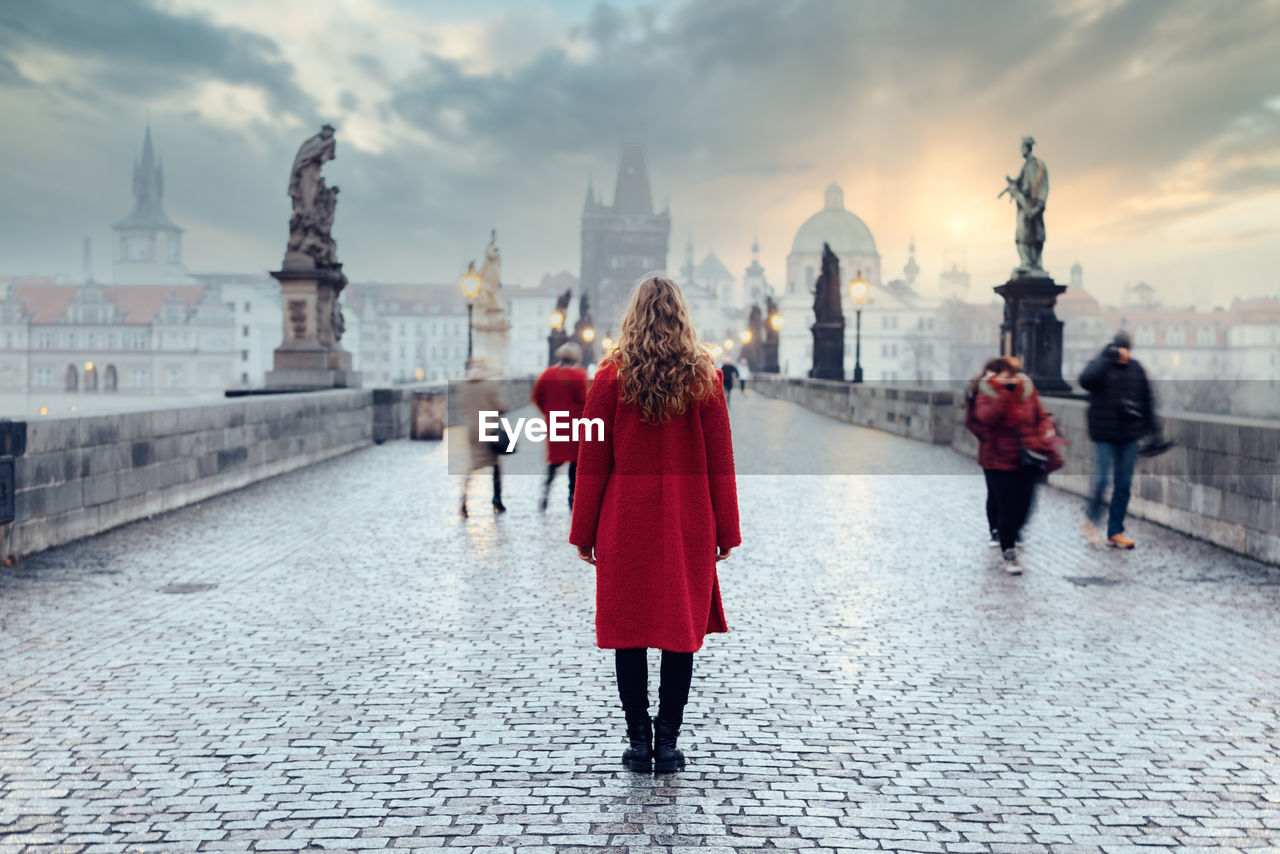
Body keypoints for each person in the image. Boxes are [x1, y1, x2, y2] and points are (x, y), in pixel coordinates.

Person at [570, 274, 740, 773]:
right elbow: (719, 461)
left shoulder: (609, 378)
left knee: (630, 631)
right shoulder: (704, 379)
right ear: (681, 317)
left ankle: (637, 742)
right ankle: (667, 743)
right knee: (678, 631)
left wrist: (583, 530)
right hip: (687, 520)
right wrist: (726, 530)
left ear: (633, 318)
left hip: (625, 520)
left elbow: (592, 461)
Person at [972, 356, 1056, 573]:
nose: (1014, 378)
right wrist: (1004, 393)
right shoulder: (987, 393)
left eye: (1015, 374)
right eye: (1008, 374)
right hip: (999, 459)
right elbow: (987, 418)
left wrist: (1042, 436)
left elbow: (1041, 416)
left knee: (1025, 505)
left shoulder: (1028, 391)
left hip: (1027, 457)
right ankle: (1009, 551)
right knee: (1006, 507)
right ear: (997, 376)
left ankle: (1010, 532)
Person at [1078, 330, 1156, 549]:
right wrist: (1108, 359)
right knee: (1102, 480)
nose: (1125, 354)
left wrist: (1153, 431)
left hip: (1129, 434)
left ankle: (1115, 531)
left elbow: (1147, 400)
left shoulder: (1136, 368)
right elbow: (1085, 380)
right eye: (1122, 349)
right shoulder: (1101, 365)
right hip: (1104, 434)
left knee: (1123, 484)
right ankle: (1091, 523)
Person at [532, 342, 589, 511]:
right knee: (575, 461)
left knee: (554, 460)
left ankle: (546, 491)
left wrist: (547, 412)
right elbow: (584, 400)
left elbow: (536, 396)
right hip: (574, 423)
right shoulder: (579, 375)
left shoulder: (548, 374)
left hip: (555, 422)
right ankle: (572, 496)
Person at [964, 357, 1006, 547]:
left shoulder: (1009, 388)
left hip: (1007, 447)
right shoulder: (979, 390)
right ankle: (995, 529)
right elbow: (971, 421)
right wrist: (985, 436)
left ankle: (1006, 529)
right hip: (990, 449)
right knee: (995, 491)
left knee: (1006, 491)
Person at [460, 358, 507, 517]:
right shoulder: (490, 385)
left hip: (472, 429)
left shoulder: (465, 386)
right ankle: (497, 500)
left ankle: (464, 499)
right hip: (488, 428)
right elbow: (500, 406)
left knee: (473, 465)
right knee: (495, 465)